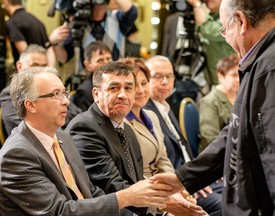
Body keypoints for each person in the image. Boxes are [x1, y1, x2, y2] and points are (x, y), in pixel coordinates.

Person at [151, 0, 275, 215]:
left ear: (241, 21)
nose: (227, 38)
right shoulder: (265, 60)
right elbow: (236, 132)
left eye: (224, 29)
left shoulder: (274, 66)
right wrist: (183, 178)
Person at [0, 66, 175, 215]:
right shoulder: (16, 155)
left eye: (64, 93)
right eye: (55, 94)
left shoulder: (62, 137)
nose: (66, 101)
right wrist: (126, 196)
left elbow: (90, 192)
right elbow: (60, 211)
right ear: (30, 105)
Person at [65, 61, 205, 215]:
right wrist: (164, 204)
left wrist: (172, 194)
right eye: (114, 88)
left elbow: (136, 183)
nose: (123, 95)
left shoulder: (128, 130)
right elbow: (111, 186)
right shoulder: (85, 128)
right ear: (96, 94)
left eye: (129, 88)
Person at [144, 55, 222, 215]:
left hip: (191, 175)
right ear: (145, 80)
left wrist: (203, 176)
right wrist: (189, 181)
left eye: (169, 76)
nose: (165, 81)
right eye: (158, 76)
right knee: (229, 205)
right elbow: (159, 162)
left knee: (242, 192)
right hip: (180, 183)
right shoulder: (145, 112)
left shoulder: (166, 106)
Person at [167, 0, 235, 87]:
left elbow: (207, 29)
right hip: (212, 82)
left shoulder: (231, 18)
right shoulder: (208, 17)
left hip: (229, 84)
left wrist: (196, 4)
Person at [49, 0, 137, 66]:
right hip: (88, 81)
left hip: (115, 76)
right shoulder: (78, 23)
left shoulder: (117, 18)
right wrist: (54, 43)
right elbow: (64, 58)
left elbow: (132, 11)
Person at [0, 44, 48, 137]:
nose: (40, 71)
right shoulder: (9, 94)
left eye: (44, 66)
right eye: (35, 66)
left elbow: (72, 114)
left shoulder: (51, 90)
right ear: (20, 66)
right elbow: (21, 129)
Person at [199, 54, 240, 152]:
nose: (238, 79)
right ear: (221, 76)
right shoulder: (209, 102)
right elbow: (210, 140)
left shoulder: (240, 95)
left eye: (240, 74)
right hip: (219, 157)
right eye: (234, 75)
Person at [3, 0, 55, 65]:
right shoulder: (37, 21)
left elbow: (25, 55)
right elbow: (49, 49)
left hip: (28, 72)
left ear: (6, 1)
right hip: (43, 70)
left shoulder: (12, 23)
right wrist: (48, 70)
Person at [72, 41, 112, 112]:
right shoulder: (84, 92)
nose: (106, 64)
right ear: (87, 65)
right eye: (100, 60)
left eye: (108, 59)